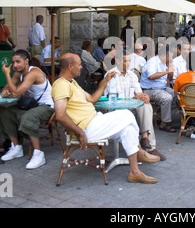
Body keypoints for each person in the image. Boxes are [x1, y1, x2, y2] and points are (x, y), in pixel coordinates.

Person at [51, 53, 159, 184]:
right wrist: (79, 133)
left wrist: (105, 81)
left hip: (94, 121)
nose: (81, 67)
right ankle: (140, 152)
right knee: (127, 114)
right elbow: (60, 115)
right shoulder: (61, 85)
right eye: (79, 65)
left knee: (128, 129)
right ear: (70, 66)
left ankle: (134, 172)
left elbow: (92, 99)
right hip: (86, 128)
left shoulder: (72, 82)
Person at [104, 50, 166, 160]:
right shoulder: (110, 75)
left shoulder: (132, 75)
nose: (128, 63)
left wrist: (144, 96)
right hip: (117, 108)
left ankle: (146, 139)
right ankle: (149, 146)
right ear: (117, 61)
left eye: (129, 60)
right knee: (142, 106)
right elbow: (111, 97)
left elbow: (139, 92)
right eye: (125, 61)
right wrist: (134, 98)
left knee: (146, 105)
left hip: (131, 106)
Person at [0, 49, 54, 169]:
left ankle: (38, 154)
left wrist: (6, 74)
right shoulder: (19, 73)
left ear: (26, 61)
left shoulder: (33, 73)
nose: (15, 65)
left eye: (18, 62)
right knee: (5, 113)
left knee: (28, 117)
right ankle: (16, 146)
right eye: (14, 62)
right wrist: (4, 91)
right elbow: (9, 86)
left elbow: (16, 93)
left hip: (47, 106)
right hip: (32, 105)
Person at [140, 45, 176, 133]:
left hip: (161, 88)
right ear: (164, 56)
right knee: (167, 98)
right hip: (149, 89)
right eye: (170, 57)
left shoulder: (165, 63)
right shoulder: (152, 62)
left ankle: (160, 114)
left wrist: (170, 70)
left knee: (177, 94)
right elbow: (151, 76)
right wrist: (166, 71)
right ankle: (164, 123)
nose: (171, 59)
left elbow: (170, 78)